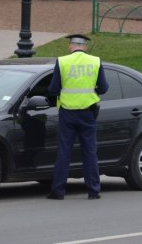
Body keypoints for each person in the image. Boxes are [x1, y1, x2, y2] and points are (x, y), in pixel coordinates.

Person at [47, 34, 109, 200]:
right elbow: (104, 88)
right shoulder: (95, 61)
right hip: (88, 112)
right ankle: (93, 191)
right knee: (89, 152)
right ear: (85, 46)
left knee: (64, 152)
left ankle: (58, 191)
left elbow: (53, 89)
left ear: (70, 46)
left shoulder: (62, 61)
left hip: (67, 112)